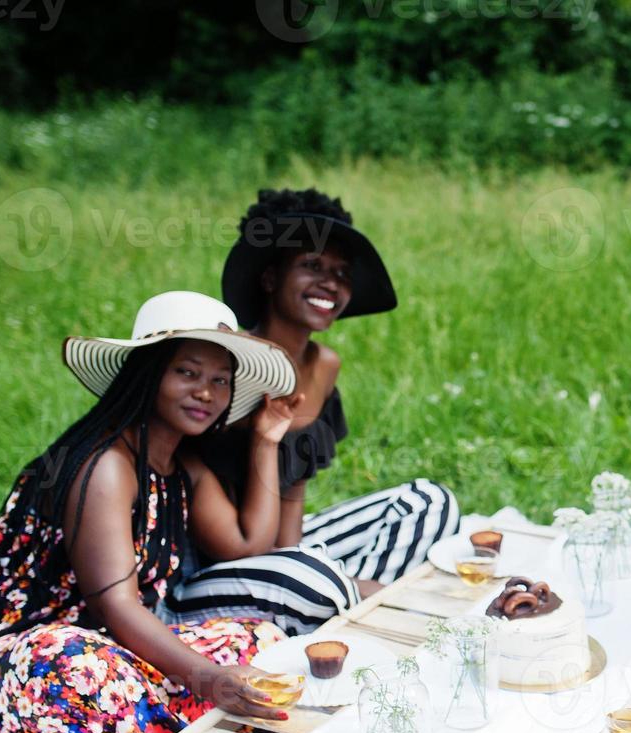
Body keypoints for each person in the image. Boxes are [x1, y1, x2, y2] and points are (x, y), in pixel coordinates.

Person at [0, 292, 302, 733]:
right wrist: (206, 679)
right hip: (6, 675)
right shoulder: (106, 464)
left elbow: (249, 544)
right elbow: (117, 605)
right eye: (187, 372)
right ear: (147, 374)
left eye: (221, 380)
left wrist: (268, 441)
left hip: (110, 657)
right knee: (95, 665)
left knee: (260, 640)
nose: (206, 392)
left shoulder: (181, 470)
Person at [165, 188, 458, 636]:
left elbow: (293, 491)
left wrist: (296, 556)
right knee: (311, 580)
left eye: (342, 273)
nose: (332, 283)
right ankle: (357, 607)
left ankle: (342, 608)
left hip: (279, 547)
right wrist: (307, 568)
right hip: (209, 565)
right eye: (312, 266)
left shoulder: (323, 366)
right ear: (269, 279)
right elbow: (233, 544)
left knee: (427, 502)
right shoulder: (226, 369)